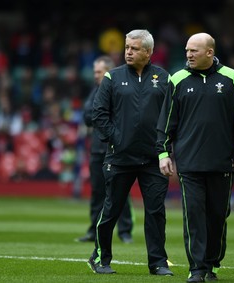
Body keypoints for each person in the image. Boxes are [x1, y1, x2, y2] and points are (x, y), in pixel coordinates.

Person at [156, 32, 234, 282]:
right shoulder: (177, 79)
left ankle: (212, 264)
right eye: (187, 50)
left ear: (209, 53)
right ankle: (197, 269)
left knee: (218, 216)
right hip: (189, 164)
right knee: (194, 216)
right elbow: (166, 122)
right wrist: (163, 153)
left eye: (193, 51)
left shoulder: (232, 78)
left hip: (223, 162)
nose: (188, 54)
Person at [87, 29, 173, 276]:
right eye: (127, 47)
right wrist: (117, 138)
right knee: (112, 208)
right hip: (119, 158)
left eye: (134, 48)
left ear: (148, 52)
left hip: (153, 159)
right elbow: (98, 114)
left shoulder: (163, 78)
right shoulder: (112, 78)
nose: (128, 52)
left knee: (156, 212)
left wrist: (164, 147)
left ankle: (157, 262)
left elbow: (170, 116)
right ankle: (100, 258)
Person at [77, 55, 134, 243]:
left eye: (99, 72)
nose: (95, 75)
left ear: (109, 71)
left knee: (120, 191)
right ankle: (94, 230)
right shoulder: (95, 91)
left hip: (116, 148)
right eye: (94, 72)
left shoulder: (120, 89)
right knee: (97, 192)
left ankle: (125, 231)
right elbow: (87, 117)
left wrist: (100, 115)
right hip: (97, 149)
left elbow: (119, 115)